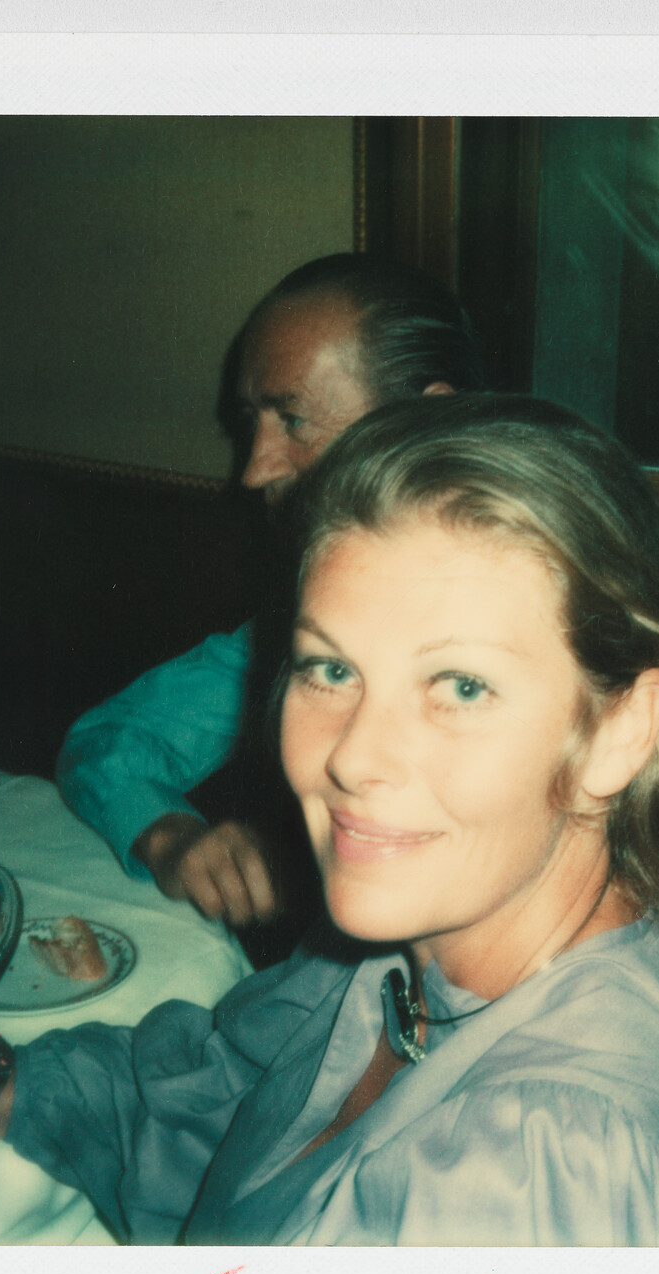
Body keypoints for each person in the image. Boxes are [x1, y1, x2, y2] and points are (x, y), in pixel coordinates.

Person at [0, 396, 659, 1247]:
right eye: (329, 668)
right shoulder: (412, 957)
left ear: (620, 734)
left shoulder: (531, 1166)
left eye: (461, 687)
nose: (354, 757)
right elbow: (196, 1106)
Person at [55, 254, 486, 928]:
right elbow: (110, 738)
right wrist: (170, 836)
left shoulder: (530, 640)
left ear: (425, 423)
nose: (254, 471)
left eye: (294, 421)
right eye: (252, 421)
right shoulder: (303, 627)